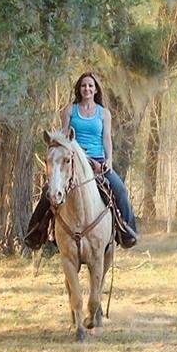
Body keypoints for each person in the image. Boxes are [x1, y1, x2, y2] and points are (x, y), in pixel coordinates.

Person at [25, 72, 138, 250]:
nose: (87, 89)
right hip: (73, 160)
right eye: (84, 85)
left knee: (120, 189)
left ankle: (127, 231)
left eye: (90, 86)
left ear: (95, 90)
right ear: (79, 89)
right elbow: (64, 138)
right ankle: (35, 233)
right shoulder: (70, 110)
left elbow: (106, 138)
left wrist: (108, 160)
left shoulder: (104, 113)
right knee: (49, 190)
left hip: (98, 161)